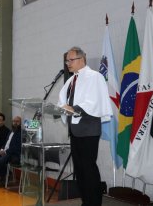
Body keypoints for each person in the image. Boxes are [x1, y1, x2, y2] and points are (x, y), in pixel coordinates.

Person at [58, 47, 112, 206]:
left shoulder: (95, 76)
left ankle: (94, 203)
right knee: (80, 171)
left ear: (82, 59)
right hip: (75, 131)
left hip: (88, 130)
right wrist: (62, 108)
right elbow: (64, 101)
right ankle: (86, 201)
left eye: (71, 60)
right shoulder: (70, 80)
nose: (68, 63)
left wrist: (75, 109)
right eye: (67, 60)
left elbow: (95, 101)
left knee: (89, 169)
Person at [0, 116, 22, 182]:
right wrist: (2, 149)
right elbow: (6, 143)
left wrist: (5, 152)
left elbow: (16, 147)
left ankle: (4, 176)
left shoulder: (21, 133)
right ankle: (6, 174)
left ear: (21, 123)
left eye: (17, 121)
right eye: (14, 121)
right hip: (4, 151)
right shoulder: (11, 131)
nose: (15, 123)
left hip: (13, 154)